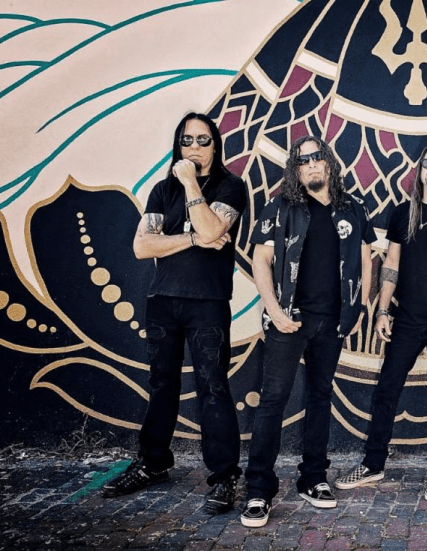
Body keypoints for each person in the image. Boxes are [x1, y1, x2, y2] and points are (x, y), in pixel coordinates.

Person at [102, 112, 245, 514]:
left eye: (203, 140)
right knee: (161, 384)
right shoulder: (161, 190)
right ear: (178, 145)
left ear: (216, 144)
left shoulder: (231, 187)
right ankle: (153, 463)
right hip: (162, 299)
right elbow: (142, 247)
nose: (195, 147)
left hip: (208, 302)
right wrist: (193, 238)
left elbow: (213, 229)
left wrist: (190, 184)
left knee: (212, 387)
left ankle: (223, 476)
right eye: (187, 140)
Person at [335, 142, 427, 502]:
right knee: (386, 389)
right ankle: (373, 463)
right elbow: (391, 264)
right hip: (406, 319)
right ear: (419, 172)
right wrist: (383, 310)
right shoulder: (404, 213)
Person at [241, 136, 376, 527]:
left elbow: (367, 256)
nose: (312, 165)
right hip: (289, 319)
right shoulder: (281, 207)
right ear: (296, 170)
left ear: (329, 164)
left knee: (319, 397)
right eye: (304, 161)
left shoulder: (352, 208)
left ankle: (313, 478)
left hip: (331, 321)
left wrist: (357, 306)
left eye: (318, 158)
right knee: (273, 401)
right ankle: (258, 490)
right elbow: (261, 259)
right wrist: (274, 310)